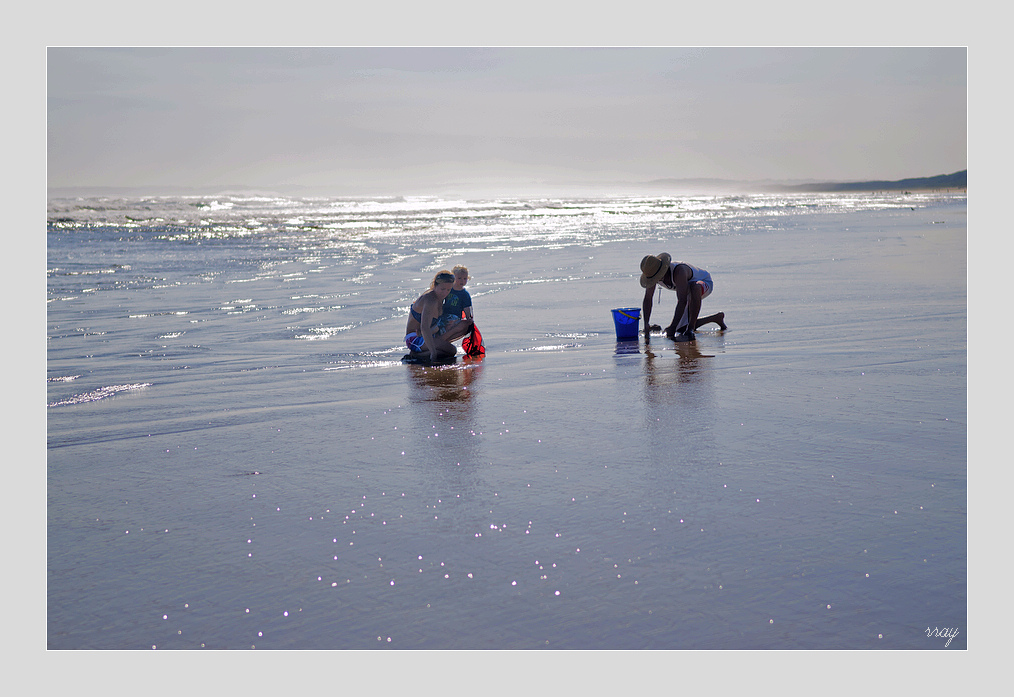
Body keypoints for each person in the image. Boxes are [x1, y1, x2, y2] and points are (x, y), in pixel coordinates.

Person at [639, 253, 726, 341]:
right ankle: (716, 318)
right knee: (680, 329)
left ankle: (691, 329)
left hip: (703, 283)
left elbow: (682, 300)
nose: (655, 280)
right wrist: (646, 324)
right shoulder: (652, 275)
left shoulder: (679, 271)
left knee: (694, 287)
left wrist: (672, 326)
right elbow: (648, 298)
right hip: (685, 290)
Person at [405, 270, 474, 361]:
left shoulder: (440, 299)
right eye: (442, 289)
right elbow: (424, 327)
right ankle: (418, 354)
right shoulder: (430, 299)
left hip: (429, 334)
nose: (445, 293)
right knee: (452, 350)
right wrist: (433, 352)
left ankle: (435, 348)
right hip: (416, 339)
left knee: (466, 325)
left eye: (448, 290)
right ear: (435, 285)